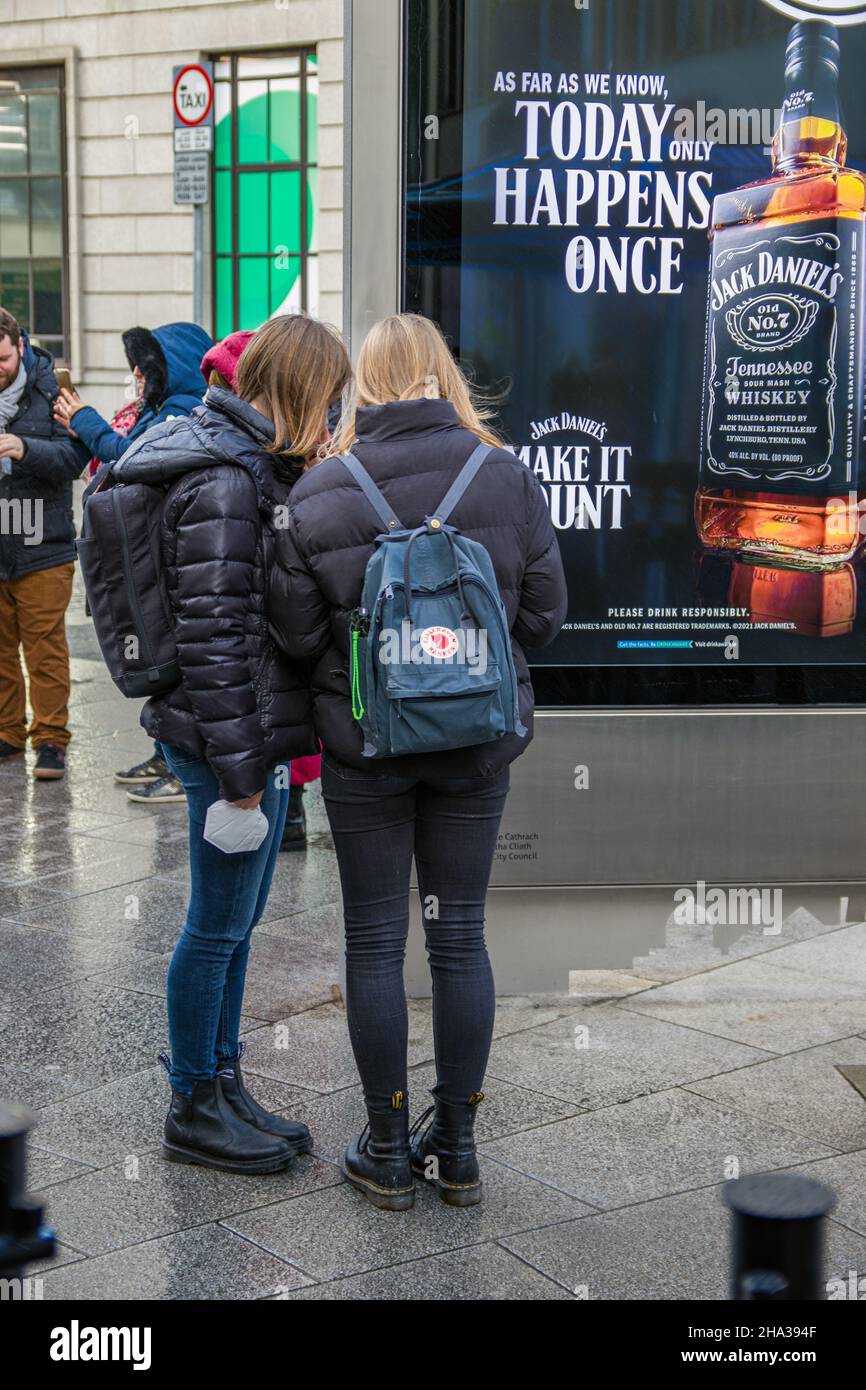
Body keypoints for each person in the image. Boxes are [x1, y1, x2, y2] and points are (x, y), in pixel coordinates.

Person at [268, 313, 568, 1209]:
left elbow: (292, 631)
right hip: (476, 745)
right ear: (445, 375)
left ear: (361, 383)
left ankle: (389, 1145)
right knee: (460, 938)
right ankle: (462, 1148)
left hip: (368, 751)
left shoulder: (322, 490)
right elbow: (546, 613)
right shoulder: (503, 476)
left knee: (371, 941)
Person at [112, 313, 352, 1173]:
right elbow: (214, 639)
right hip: (227, 741)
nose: (334, 413)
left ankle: (223, 1081)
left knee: (240, 923)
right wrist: (245, 774)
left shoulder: (252, 463)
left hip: (250, 734)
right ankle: (191, 1106)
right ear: (296, 390)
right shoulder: (224, 480)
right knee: (215, 927)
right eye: (327, 397)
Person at [53, 321, 213, 805]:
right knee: (157, 657)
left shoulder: (183, 412)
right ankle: (167, 751)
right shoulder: (159, 409)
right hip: (147, 552)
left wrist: (85, 420)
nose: (138, 378)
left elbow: (129, 457)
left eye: (145, 369)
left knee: (174, 662)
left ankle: (178, 762)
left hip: (168, 557)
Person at [0, 307, 87, 781]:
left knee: (44, 649)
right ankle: (7, 734)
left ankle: (51, 738)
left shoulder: (54, 387)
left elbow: (77, 456)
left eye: (3, 359)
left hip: (42, 543)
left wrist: (23, 448)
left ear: (19, 346)